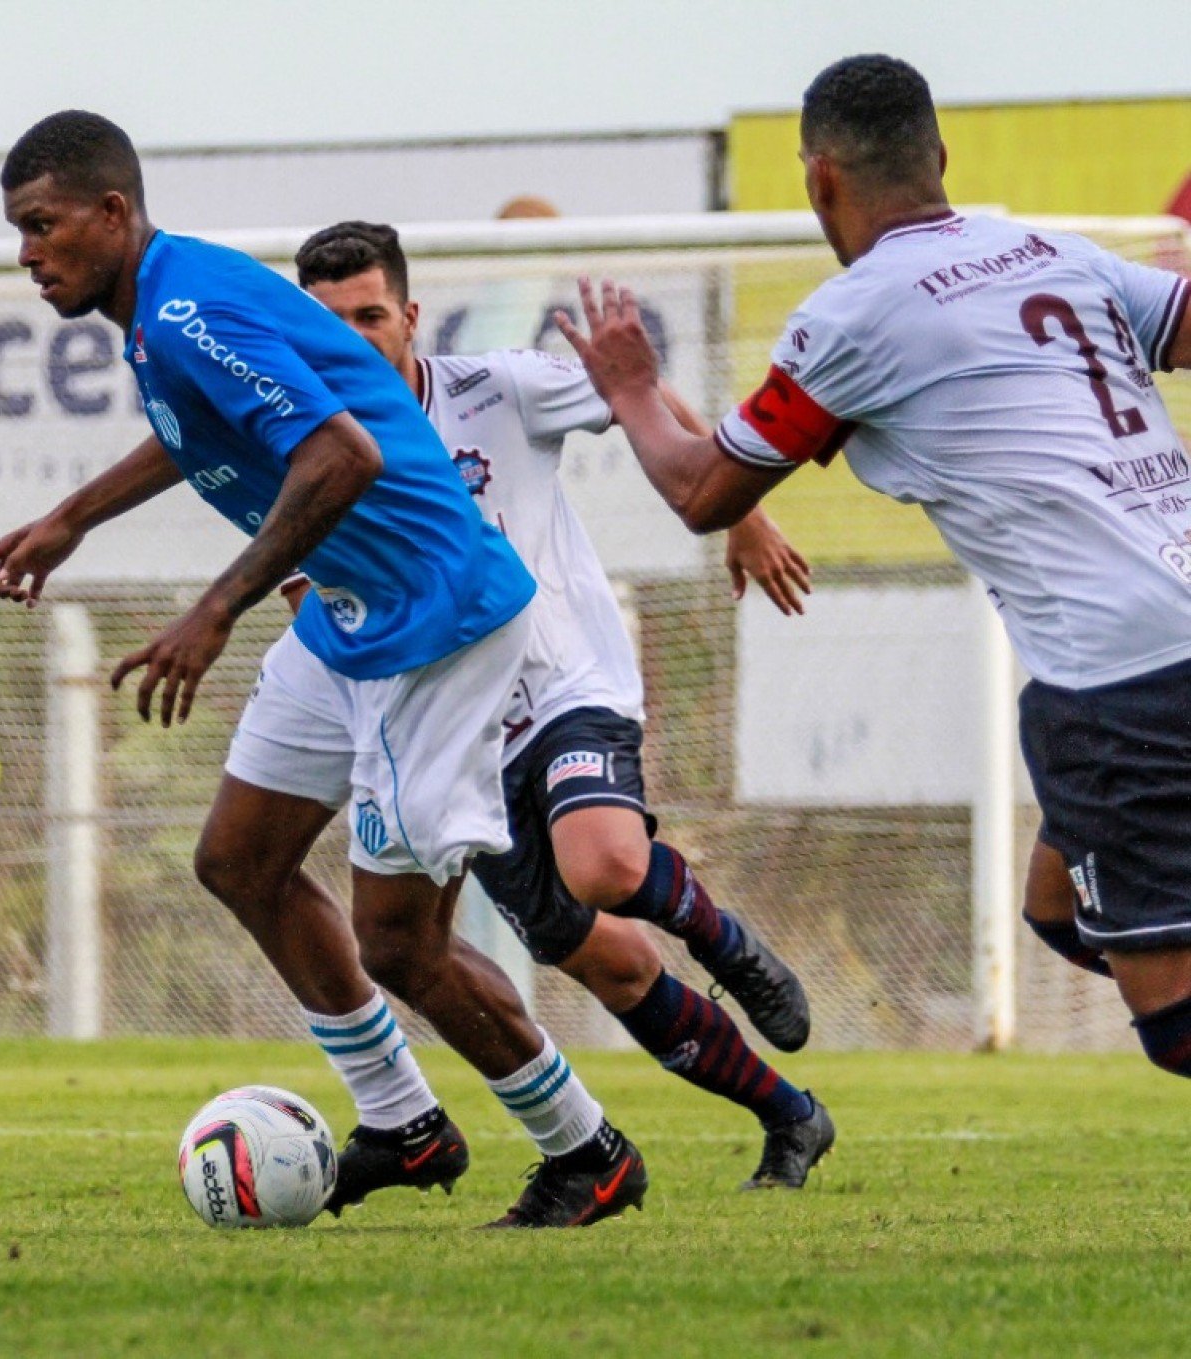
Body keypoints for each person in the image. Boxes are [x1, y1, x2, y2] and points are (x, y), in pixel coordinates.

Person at [0, 110, 647, 1228]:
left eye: (42, 227)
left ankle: (589, 1151)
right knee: (239, 860)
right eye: (17, 232)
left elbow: (345, 452)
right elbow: (201, 433)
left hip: (434, 624)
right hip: (351, 621)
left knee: (400, 942)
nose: (26, 255)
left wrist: (215, 608)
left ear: (111, 213)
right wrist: (70, 517)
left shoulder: (186, 308)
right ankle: (403, 1121)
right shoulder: (166, 309)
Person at [560, 54, 1191, 1074]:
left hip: (1122, 677)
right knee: (1051, 908)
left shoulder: (857, 315)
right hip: (1141, 645)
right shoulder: (1051, 249)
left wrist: (633, 388)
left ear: (821, 180)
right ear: (940, 156)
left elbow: (702, 491)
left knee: (1175, 1027)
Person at [294, 221, 835, 1189]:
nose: (355, 336)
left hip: (566, 685)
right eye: (330, 321)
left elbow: (637, 395)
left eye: (371, 315)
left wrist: (741, 514)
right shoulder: (305, 455)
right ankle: (790, 1116)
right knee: (611, 966)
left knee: (607, 864)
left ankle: (730, 946)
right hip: (460, 740)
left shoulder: (494, 387)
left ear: (410, 317)